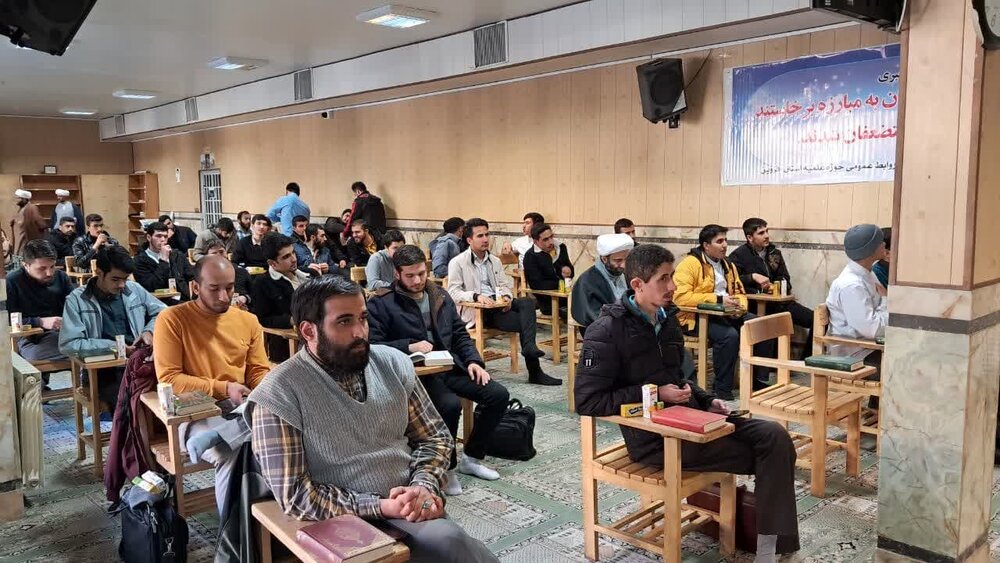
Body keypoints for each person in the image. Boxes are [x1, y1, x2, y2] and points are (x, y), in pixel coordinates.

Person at [574, 244, 800, 561]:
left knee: (774, 435)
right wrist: (656, 392)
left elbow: (681, 379)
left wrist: (707, 400)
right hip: (655, 438)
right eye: (663, 279)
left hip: (690, 420)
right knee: (770, 454)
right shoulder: (607, 331)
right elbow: (587, 401)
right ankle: (770, 550)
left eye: (672, 277)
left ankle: (771, 547)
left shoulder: (667, 319)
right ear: (637, 284)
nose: (673, 286)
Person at [248, 276, 498, 563]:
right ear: (309, 330)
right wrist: (382, 506)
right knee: (450, 544)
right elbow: (296, 496)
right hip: (339, 518)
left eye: (363, 318)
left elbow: (435, 437)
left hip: (407, 506)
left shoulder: (393, 363)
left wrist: (423, 485)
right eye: (344, 322)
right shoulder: (278, 394)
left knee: (452, 543)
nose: (360, 332)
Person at [368, 246, 510, 492]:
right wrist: (408, 346)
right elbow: (373, 345)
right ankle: (447, 468)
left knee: (498, 395)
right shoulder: (382, 303)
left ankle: (471, 458)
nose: (417, 280)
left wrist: (474, 361)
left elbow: (459, 333)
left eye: (421, 273)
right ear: (397, 274)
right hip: (417, 374)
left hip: (449, 365)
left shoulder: (439, 295)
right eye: (410, 276)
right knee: (449, 405)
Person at [154, 254, 271, 511]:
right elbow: (170, 379)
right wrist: (223, 388)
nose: (224, 297)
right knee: (234, 452)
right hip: (196, 412)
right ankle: (232, 529)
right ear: (195, 287)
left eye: (229, 288)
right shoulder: (172, 319)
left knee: (285, 433)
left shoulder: (248, 321)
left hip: (241, 406)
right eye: (214, 289)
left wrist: (268, 389)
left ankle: (268, 518)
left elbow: (257, 371)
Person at [448, 218, 558, 385]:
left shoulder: (495, 261)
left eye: (487, 234)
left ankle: (530, 349)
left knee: (527, 302)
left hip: (499, 304)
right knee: (526, 323)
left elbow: (504, 285)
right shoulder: (458, 262)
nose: (485, 239)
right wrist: (476, 296)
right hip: (480, 310)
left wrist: (507, 297)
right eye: (480, 236)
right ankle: (534, 368)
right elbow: (453, 292)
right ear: (469, 240)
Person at [673, 224, 775, 400]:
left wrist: (739, 307)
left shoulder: (728, 264)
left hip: (727, 313)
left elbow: (740, 292)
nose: (725, 245)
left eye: (725, 240)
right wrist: (718, 300)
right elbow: (680, 297)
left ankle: (756, 380)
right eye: (719, 241)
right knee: (729, 336)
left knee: (761, 326)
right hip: (696, 318)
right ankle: (722, 388)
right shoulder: (690, 264)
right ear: (706, 245)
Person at [60, 246, 166, 415]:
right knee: (130, 402)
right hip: (104, 370)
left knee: (169, 391)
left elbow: (163, 313)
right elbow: (69, 344)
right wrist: (115, 347)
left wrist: (149, 331)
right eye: (115, 279)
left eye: (125, 279)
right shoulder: (77, 300)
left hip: (140, 362)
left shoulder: (133, 289)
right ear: (99, 273)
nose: (122, 285)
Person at [728, 218, 815, 345]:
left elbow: (785, 279)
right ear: (750, 238)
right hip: (755, 306)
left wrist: (775, 286)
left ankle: (808, 357)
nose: (766, 236)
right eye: (761, 233)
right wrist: (752, 277)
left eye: (767, 231)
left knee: (816, 320)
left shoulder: (774, 253)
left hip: (780, 303)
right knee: (770, 332)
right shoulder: (738, 256)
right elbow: (731, 282)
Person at [6, 240, 74, 390]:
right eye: (42, 268)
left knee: (90, 345)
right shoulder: (12, 281)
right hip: (29, 338)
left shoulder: (61, 277)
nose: (49, 273)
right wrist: (40, 322)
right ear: (26, 265)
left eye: (52, 266)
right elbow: (8, 321)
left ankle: (90, 390)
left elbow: (75, 307)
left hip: (61, 334)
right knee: (78, 349)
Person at [826, 224, 888, 362]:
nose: (884, 244)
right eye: (880, 242)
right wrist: (885, 301)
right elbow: (873, 330)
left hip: (870, 347)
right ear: (870, 249)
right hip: (856, 355)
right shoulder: (851, 285)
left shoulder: (868, 274)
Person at [250, 233, 309, 361]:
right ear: (272, 263)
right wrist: (291, 320)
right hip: (288, 344)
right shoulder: (263, 283)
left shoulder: (308, 275)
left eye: (293, 253)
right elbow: (263, 319)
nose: (293, 259)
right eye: (286, 257)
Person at [571, 233, 633, 331]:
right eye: (618, 260)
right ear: (604, 259)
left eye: (626, 259)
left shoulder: (625, 275)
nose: (623, 265)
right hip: (602, 332)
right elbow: (594, 317)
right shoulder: (587, 281)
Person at [134, 221, 195, 301]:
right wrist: (163, 261)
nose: (163, 240)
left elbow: (192, 276)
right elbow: (151, 287)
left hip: (183, 298)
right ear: (149, 237)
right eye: (158, 236)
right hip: (160, 301)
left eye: (165, 236)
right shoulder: (140, 261)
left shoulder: (177, 255)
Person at [522, 222, 574, 316]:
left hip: (567, 294)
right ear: (536, 241)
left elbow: (570, 270)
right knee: (576, 311)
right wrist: (560, 284)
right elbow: (536, 284)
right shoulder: (531, 256)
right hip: (549, 300)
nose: (551, 242)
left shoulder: (561, 247)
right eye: (545, 239)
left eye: (551, 237)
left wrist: (569, 271)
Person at [204, 241, 251, 310]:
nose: (219, 255)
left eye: (221, 252)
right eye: (214, 253)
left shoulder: (241, 272)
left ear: (226, 253)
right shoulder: (204, 276)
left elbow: (254, 294)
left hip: (241, 310)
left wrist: (245, 297)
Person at [11, 188, 47, 261]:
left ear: (24, 199)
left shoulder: (31, 208)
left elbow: (41, 224)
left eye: (18, 198)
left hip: (26, 242)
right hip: (19, 242)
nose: (16, 200)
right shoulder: (21, 209)